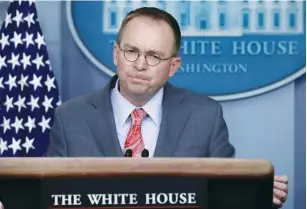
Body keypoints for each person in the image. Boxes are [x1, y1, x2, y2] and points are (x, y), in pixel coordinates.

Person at [45, 7, 288, 208]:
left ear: (173, 66)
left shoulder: (205, 117)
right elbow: (49, 198)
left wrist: (257, 198)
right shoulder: (70, 118)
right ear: (116, 54)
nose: (140, 64)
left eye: (154, 56)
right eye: (131, 51)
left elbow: (225, 198)